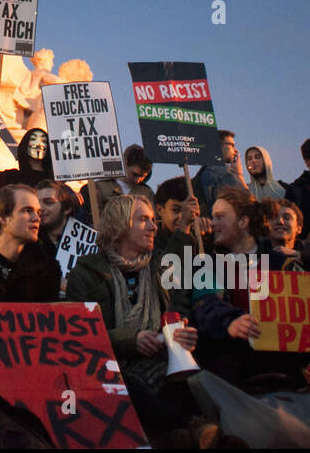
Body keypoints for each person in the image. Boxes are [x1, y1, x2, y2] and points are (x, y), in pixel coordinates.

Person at [65, 194, 197, 433]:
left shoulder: (162, 266)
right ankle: (187, 432)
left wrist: (180, 332)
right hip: (112, 372)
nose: (153, 226)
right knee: (132, 388)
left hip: (164, 362)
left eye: (153, 220)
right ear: (120, 225)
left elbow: (179, 308)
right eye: (143, 220)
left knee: (193, 380)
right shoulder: (85, 274)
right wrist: (130, 340)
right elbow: (83, 338)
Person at [83, 144, 154, 219]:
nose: (138, 180)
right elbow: (93, 220)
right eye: (134, 174)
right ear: (124, 163)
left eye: (142, 176)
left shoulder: (147, 192)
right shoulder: (99, 187)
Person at [0, 123, 53, 191]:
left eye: (43, 141)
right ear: (25, 145)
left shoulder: (54, 180)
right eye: (33, 140)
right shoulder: (14, 178)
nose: (39, 145)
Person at [192, 130, 247, 215]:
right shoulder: (223, 173)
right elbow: (249, 203)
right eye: (231, 145)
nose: (235, 150)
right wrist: (239, 175)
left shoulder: (204, 172)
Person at [260, 198, 310, 271]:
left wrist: (303, 257)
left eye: (287, 218)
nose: (280, 221)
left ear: (299, 228)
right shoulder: (257, 249)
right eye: (274, 217)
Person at [152, 176, 206, 253]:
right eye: (176, 210)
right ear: (159, 209)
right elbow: (169, 262)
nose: (182, 217)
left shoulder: (196, 238)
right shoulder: (149, 240)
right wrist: (184, 225)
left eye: (187, 211)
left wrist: (207, 241)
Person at [35, 180, 81, 257]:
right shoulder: (28, 243)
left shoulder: (86, 239)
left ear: (67, 208)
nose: (40, 208)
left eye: (48, 202)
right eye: (36, 203)